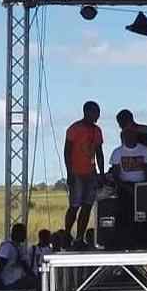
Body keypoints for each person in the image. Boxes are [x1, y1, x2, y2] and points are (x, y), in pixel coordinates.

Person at [64, 101, 106, 242]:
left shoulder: (97, 130)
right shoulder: (74, 129)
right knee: (74, 206)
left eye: (98, 113)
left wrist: (101, 173)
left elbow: (99, 153)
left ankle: (80, 237)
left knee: (87, 206)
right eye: (95, 113)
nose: (97, 116)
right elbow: (67, 152)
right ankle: (67, 233)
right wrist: (69, 173)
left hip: (91, 173)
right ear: (87, 112)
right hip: (76, 173)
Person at [0, 223, 31, 291]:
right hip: (9, 282)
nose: (25, 236)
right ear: (17, 234)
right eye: (23, 233)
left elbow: (24, 264)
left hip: (18, 280)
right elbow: (0, 264)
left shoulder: (19, 247)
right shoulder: (7, 247)